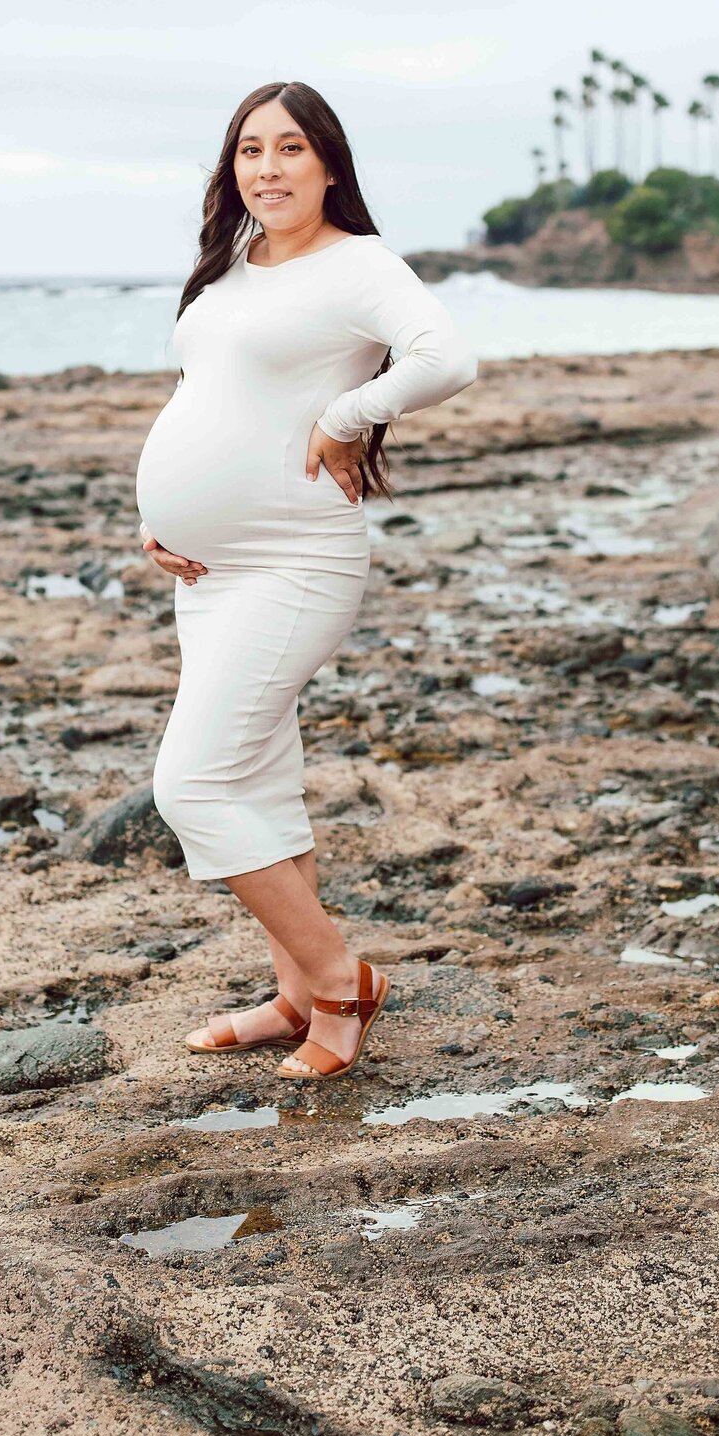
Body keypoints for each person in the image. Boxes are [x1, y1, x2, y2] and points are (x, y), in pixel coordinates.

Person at [135, 80, 478, 1081]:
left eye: (291, 149)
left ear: (329, 165)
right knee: (256, 778)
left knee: (191, 785)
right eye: (251, 150)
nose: (268, 168)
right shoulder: (234, 266)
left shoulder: (360, 265)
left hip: (294, 560)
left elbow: (445, 357)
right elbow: (212, 397)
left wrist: (347, 418)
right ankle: (293, 996)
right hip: (207, 568)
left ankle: (340, 982)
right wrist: (158, 522)